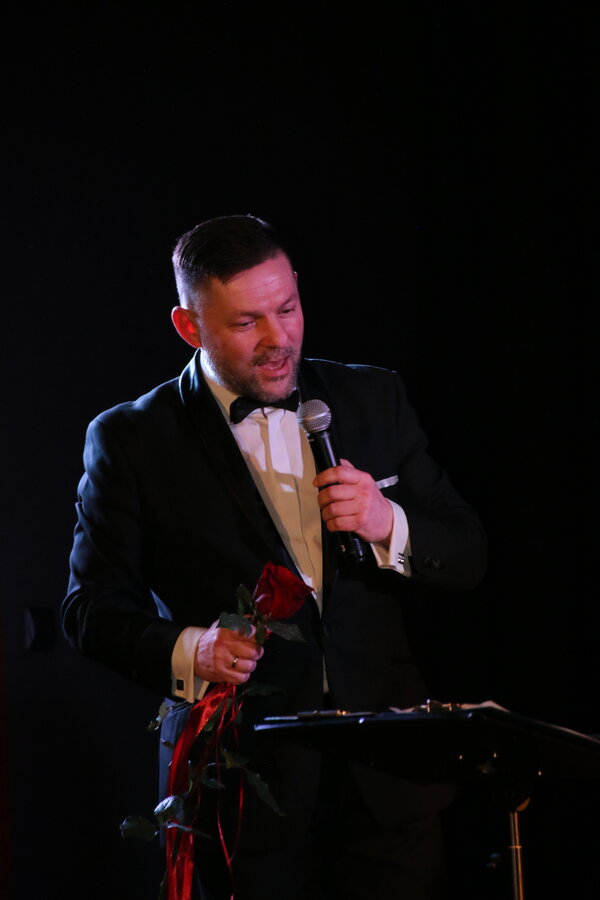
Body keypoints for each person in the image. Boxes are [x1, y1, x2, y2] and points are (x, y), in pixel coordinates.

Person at [62, 214, 487, 899]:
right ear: (189, 327)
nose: (278, 339)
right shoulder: (132, 439)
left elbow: (467, 552)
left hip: (389, 782)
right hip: (241, 789)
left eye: (287, 309)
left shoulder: (372, 395)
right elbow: (89, 609)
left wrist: (389, 523)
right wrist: (192, 648)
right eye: (246, 322)